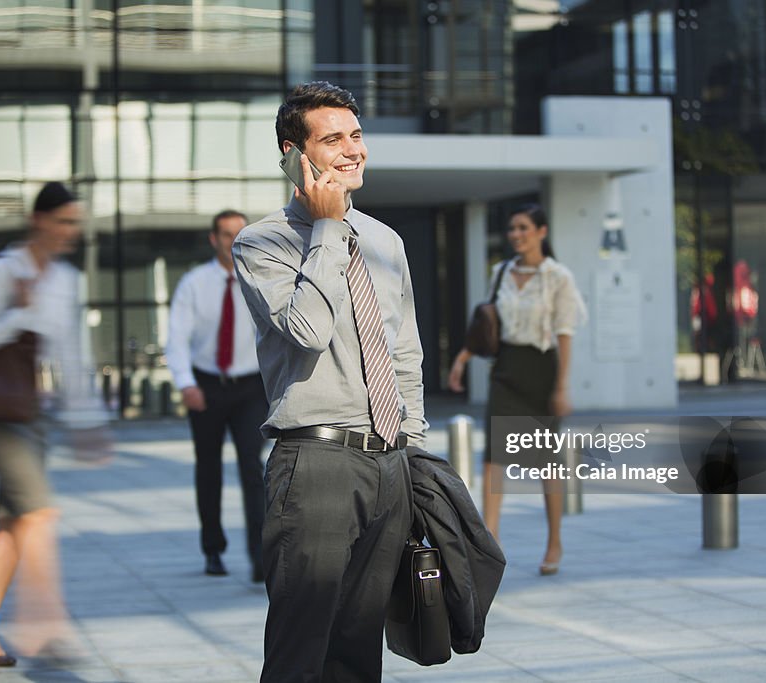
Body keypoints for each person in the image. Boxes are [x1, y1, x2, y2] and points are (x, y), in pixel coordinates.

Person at [232, 81, 426, 683]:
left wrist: (414, 460)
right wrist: (324, 230)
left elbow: (404, 355)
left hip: (389, 465)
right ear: (295, 154)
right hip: (314, 463)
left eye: (357, 135)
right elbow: (307, 330)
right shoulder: (261, 242)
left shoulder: (386, 240)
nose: (352, 150)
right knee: (299, 651)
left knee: (359, 652)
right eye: (333, 138)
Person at [0, 182, 108, 666]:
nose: (70, 232)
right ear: (39, 220)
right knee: (39, 514)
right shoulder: (0, 271)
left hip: (33, 412)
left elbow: (71, 353)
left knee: (14, 522)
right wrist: (20, 314)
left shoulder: (65, 279)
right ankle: (44, 627)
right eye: (63, 222)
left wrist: (87, 421)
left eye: (75, 224)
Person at [448, 204, 586, 576]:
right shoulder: (501, 272)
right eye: (512, 228)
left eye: (523, 227)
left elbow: (565, 335)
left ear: (541, 231)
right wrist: (462, 359)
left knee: (545, 463)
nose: (516, 234)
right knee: (494, 456)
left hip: (542, 371)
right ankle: (491, 540)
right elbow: (487, 324)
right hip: (506, 368)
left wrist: (562, 386)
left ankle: (554, 541)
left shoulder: (558, 277)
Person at [166, 210, 267, 581]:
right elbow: (176, 337)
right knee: (208, 469)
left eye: (239, 233)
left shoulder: (261, 277)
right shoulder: (194, 283)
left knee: (252, 470)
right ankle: (213, 549)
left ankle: (260, 555)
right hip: (206, 385)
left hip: (250, 387)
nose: (232, 240)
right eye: (226, 234)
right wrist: (185, 383)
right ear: (214, 239)